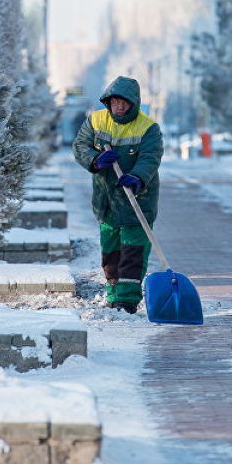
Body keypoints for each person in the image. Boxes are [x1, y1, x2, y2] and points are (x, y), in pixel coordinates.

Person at [72, 76, 163, 313]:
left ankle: (128, 301)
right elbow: (81, 145)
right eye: (115, 102)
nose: (119, 107)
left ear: (134, 103)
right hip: (106, 201)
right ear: (108, 101)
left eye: (125, 103)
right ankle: (114, 295)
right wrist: (95, 159)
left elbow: (150, 157)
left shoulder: (148, 128)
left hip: (137, 200)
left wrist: (137, 177)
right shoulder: (95, 120)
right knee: (111, 251)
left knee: (133, 252)